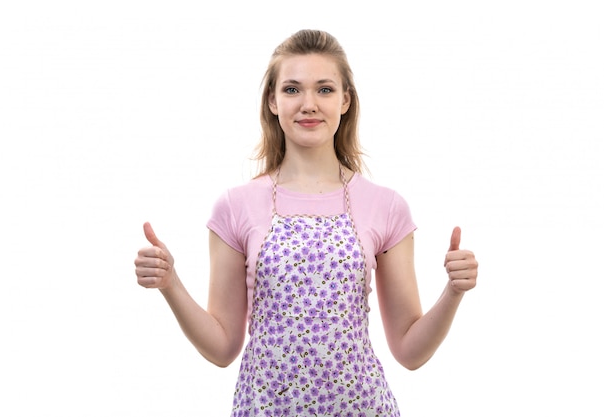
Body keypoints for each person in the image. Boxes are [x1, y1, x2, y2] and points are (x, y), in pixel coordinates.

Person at [134, 29, 478, 416]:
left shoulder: (386, 206)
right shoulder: (236, 206)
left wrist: (453, 291)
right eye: (293, 89)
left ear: (346, 100)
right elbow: (222, 348)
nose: (309, 104)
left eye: (325, 89)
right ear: (273, 100)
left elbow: (410, 351)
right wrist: (170, 284)